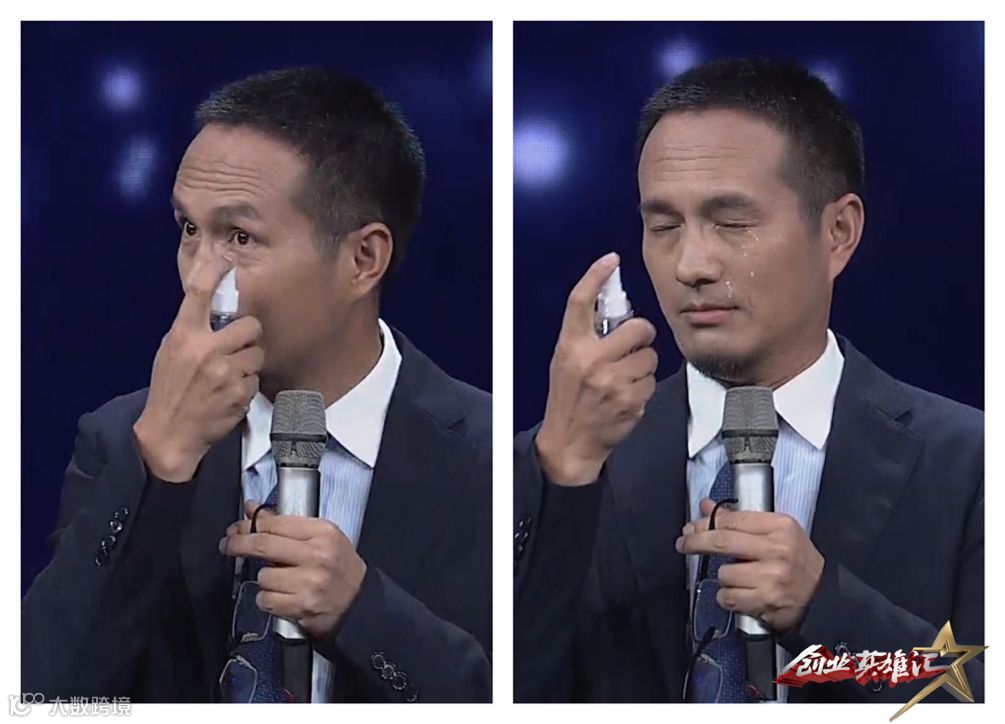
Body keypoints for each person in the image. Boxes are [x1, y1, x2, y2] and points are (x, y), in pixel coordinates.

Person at [513, 57, 983, 704]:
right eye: (663, 226)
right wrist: (562, 476)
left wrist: (827, 607)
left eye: (732, 223)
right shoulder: (564, 465)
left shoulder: (973, 466)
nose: (691, 265)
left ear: (838, 232)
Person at [23, 68, 492, 703]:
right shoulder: (121, 442)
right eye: (189, 229)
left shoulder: (494, 461)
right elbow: (44, 697)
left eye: (240, 237)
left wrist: (365, 613)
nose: (197, 278)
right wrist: (160, 459)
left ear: (363, 260)